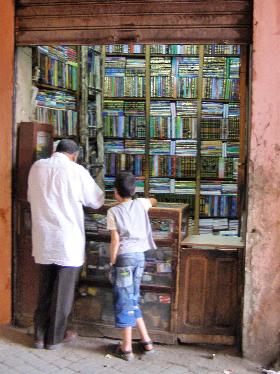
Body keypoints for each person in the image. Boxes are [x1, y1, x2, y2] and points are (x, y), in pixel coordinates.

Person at [27, 139, 104, 350]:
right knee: (63, 293)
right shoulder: (76, 171)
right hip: (67, 241)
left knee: (45, 289)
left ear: (55, 150)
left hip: (44, 238)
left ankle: (39, 335)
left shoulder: (37, 167)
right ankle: (55, 338)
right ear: (75, 155)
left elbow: (30, 197)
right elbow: (97, 200)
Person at [106, 171, 157, 361]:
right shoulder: (141, 204)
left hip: (124, 259)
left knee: (124, 299)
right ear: (134, 190)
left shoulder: (113, 211)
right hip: (140, 258)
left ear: (115, 192)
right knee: (132, 296)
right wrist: (147, 199)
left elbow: (115, 241)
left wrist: (112, 262)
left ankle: (126, 347)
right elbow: (153, 201)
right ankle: (146, 341)